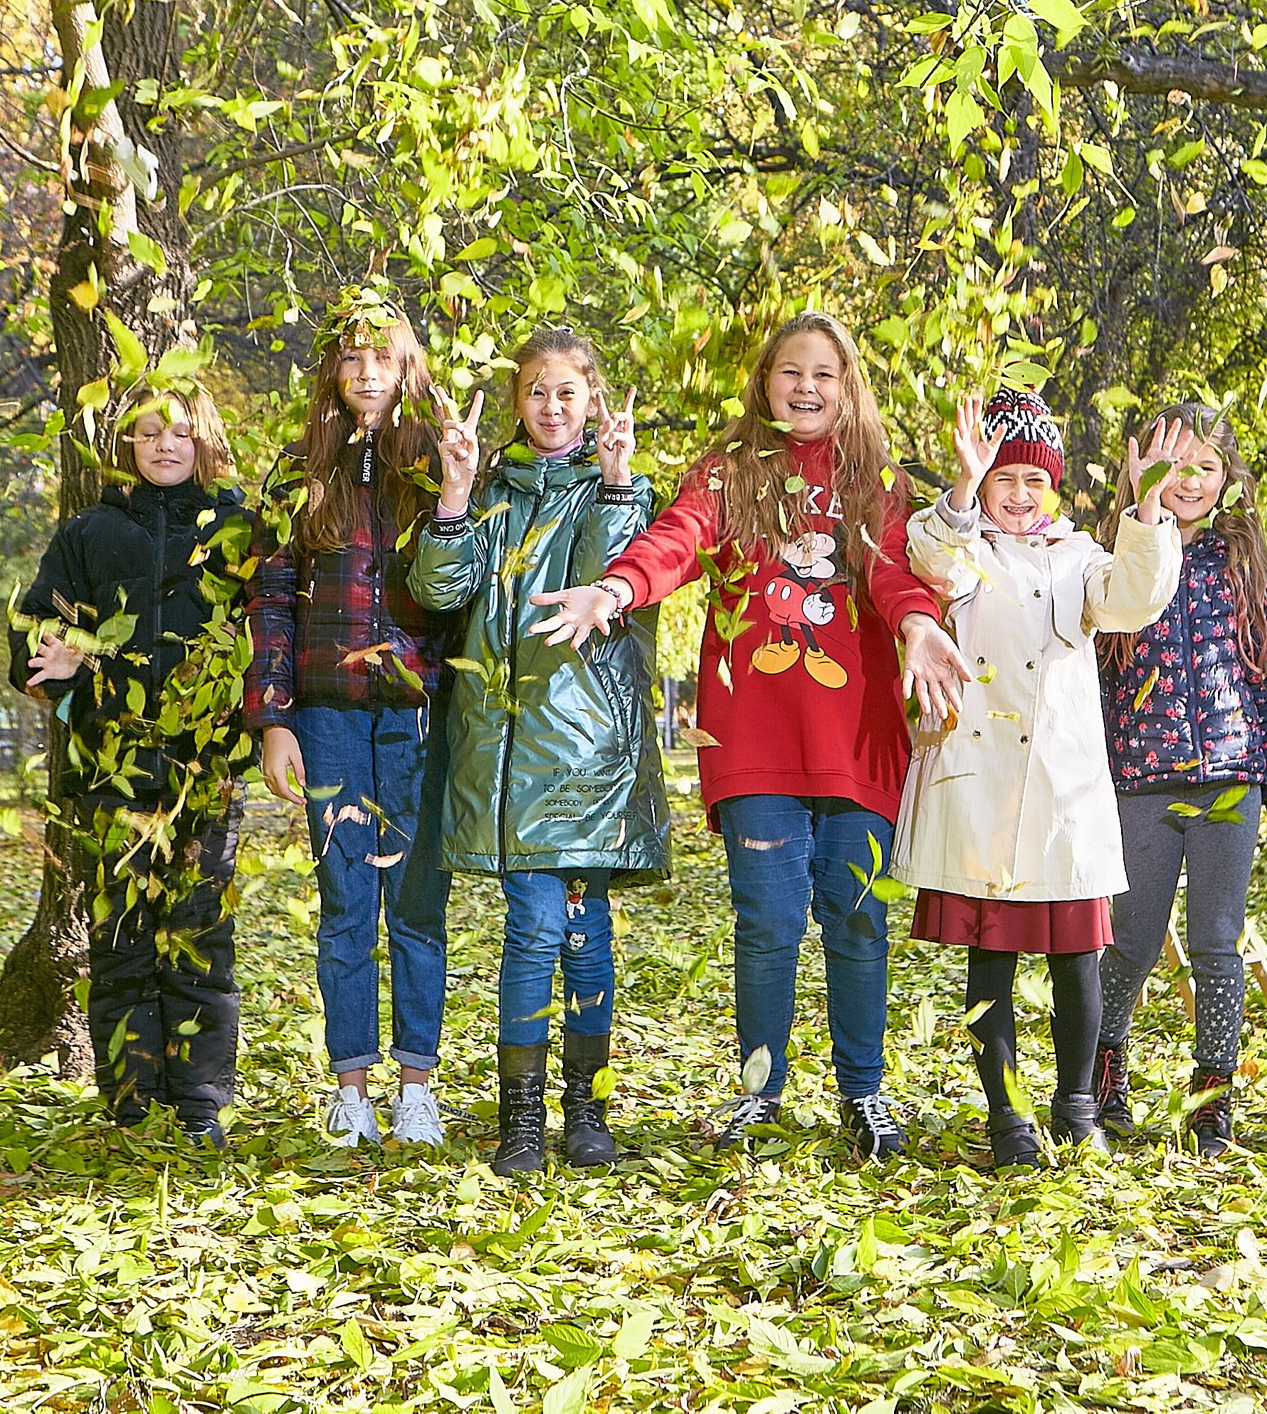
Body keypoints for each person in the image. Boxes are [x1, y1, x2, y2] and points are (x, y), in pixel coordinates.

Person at [529, 313, 970, 1159]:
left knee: (855, 917)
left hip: (859, 738)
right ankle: (758, 1090)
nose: (805, 388)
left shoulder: (878, 479)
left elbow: (890, 574)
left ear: (848, 387)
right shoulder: (729, 471)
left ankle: (864, 1093)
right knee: (767, 919)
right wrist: (617, 589)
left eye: (824, 375)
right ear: (764, 381)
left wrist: (917, 624)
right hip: (755, 738)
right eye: (790, 373)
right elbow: (678, 540)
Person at [895, 390, 1185, 1168]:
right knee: (989, 960)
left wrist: (1149, 513)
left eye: (1034, 480)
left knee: (1076, 959)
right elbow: (932, 558)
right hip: (981, 788)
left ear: (1054, 487)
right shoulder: (965, 546)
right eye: (1005, 479)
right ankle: (1008, 1115)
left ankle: (1076, 1101)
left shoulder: (1080, 553)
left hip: (1064, 791)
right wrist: (961, 486)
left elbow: (1131, 599)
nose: (1020, 496)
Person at [412, 327, 669, 1174]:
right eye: (536, 391)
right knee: (530, 928)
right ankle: (521, 1116)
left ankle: (586, 1109)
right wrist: (452, 494)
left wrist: (617, 479)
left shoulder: (621, 492)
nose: (552, 406)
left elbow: (617, 575)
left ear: (592, 400)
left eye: (568, 391)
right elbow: (439, 588)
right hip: (503, 748)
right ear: (517, 402)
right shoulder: (490, 495)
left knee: (585, 932)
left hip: (588, 750)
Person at [12, 388, 255, 1147]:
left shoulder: (236, 529)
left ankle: (202, 1097)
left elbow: (266, 629)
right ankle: (129, 1094)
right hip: (113, 769)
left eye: (180, 431)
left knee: (200, 927)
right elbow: (30, 640)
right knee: (122, 931)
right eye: (148, 433)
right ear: (127, 446)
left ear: (204, 439)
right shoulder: (89, 532)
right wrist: (71, 667)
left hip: (205, 766)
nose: (165, 444)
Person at [245, 292, 453, 1148]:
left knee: (415, 902)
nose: (367, 370)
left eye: (384, 354)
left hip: (413, 715)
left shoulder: (438, 465)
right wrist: (274, 716)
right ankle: (352, 1088)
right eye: (352, 355)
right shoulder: (298, 474)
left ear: (407, 365)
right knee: (344, 901)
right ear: (332, 370)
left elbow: (459, 591)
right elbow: (270, 601)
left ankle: (416, 1086)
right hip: (327, 715)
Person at [1092, 404, 1267, 1154]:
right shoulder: (1111, 560)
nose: (1187, 480)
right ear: (1139, 468)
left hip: (1230, 780)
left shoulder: (1239, 565)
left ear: (1228, 481)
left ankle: (1211, 1097)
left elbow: (1266, 683)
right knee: (1131, 942)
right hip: (1141, 782)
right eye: (1171, 464)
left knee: (1218, 944)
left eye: (1204, 467)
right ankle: (1102, 1069)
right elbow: (1095, 685)